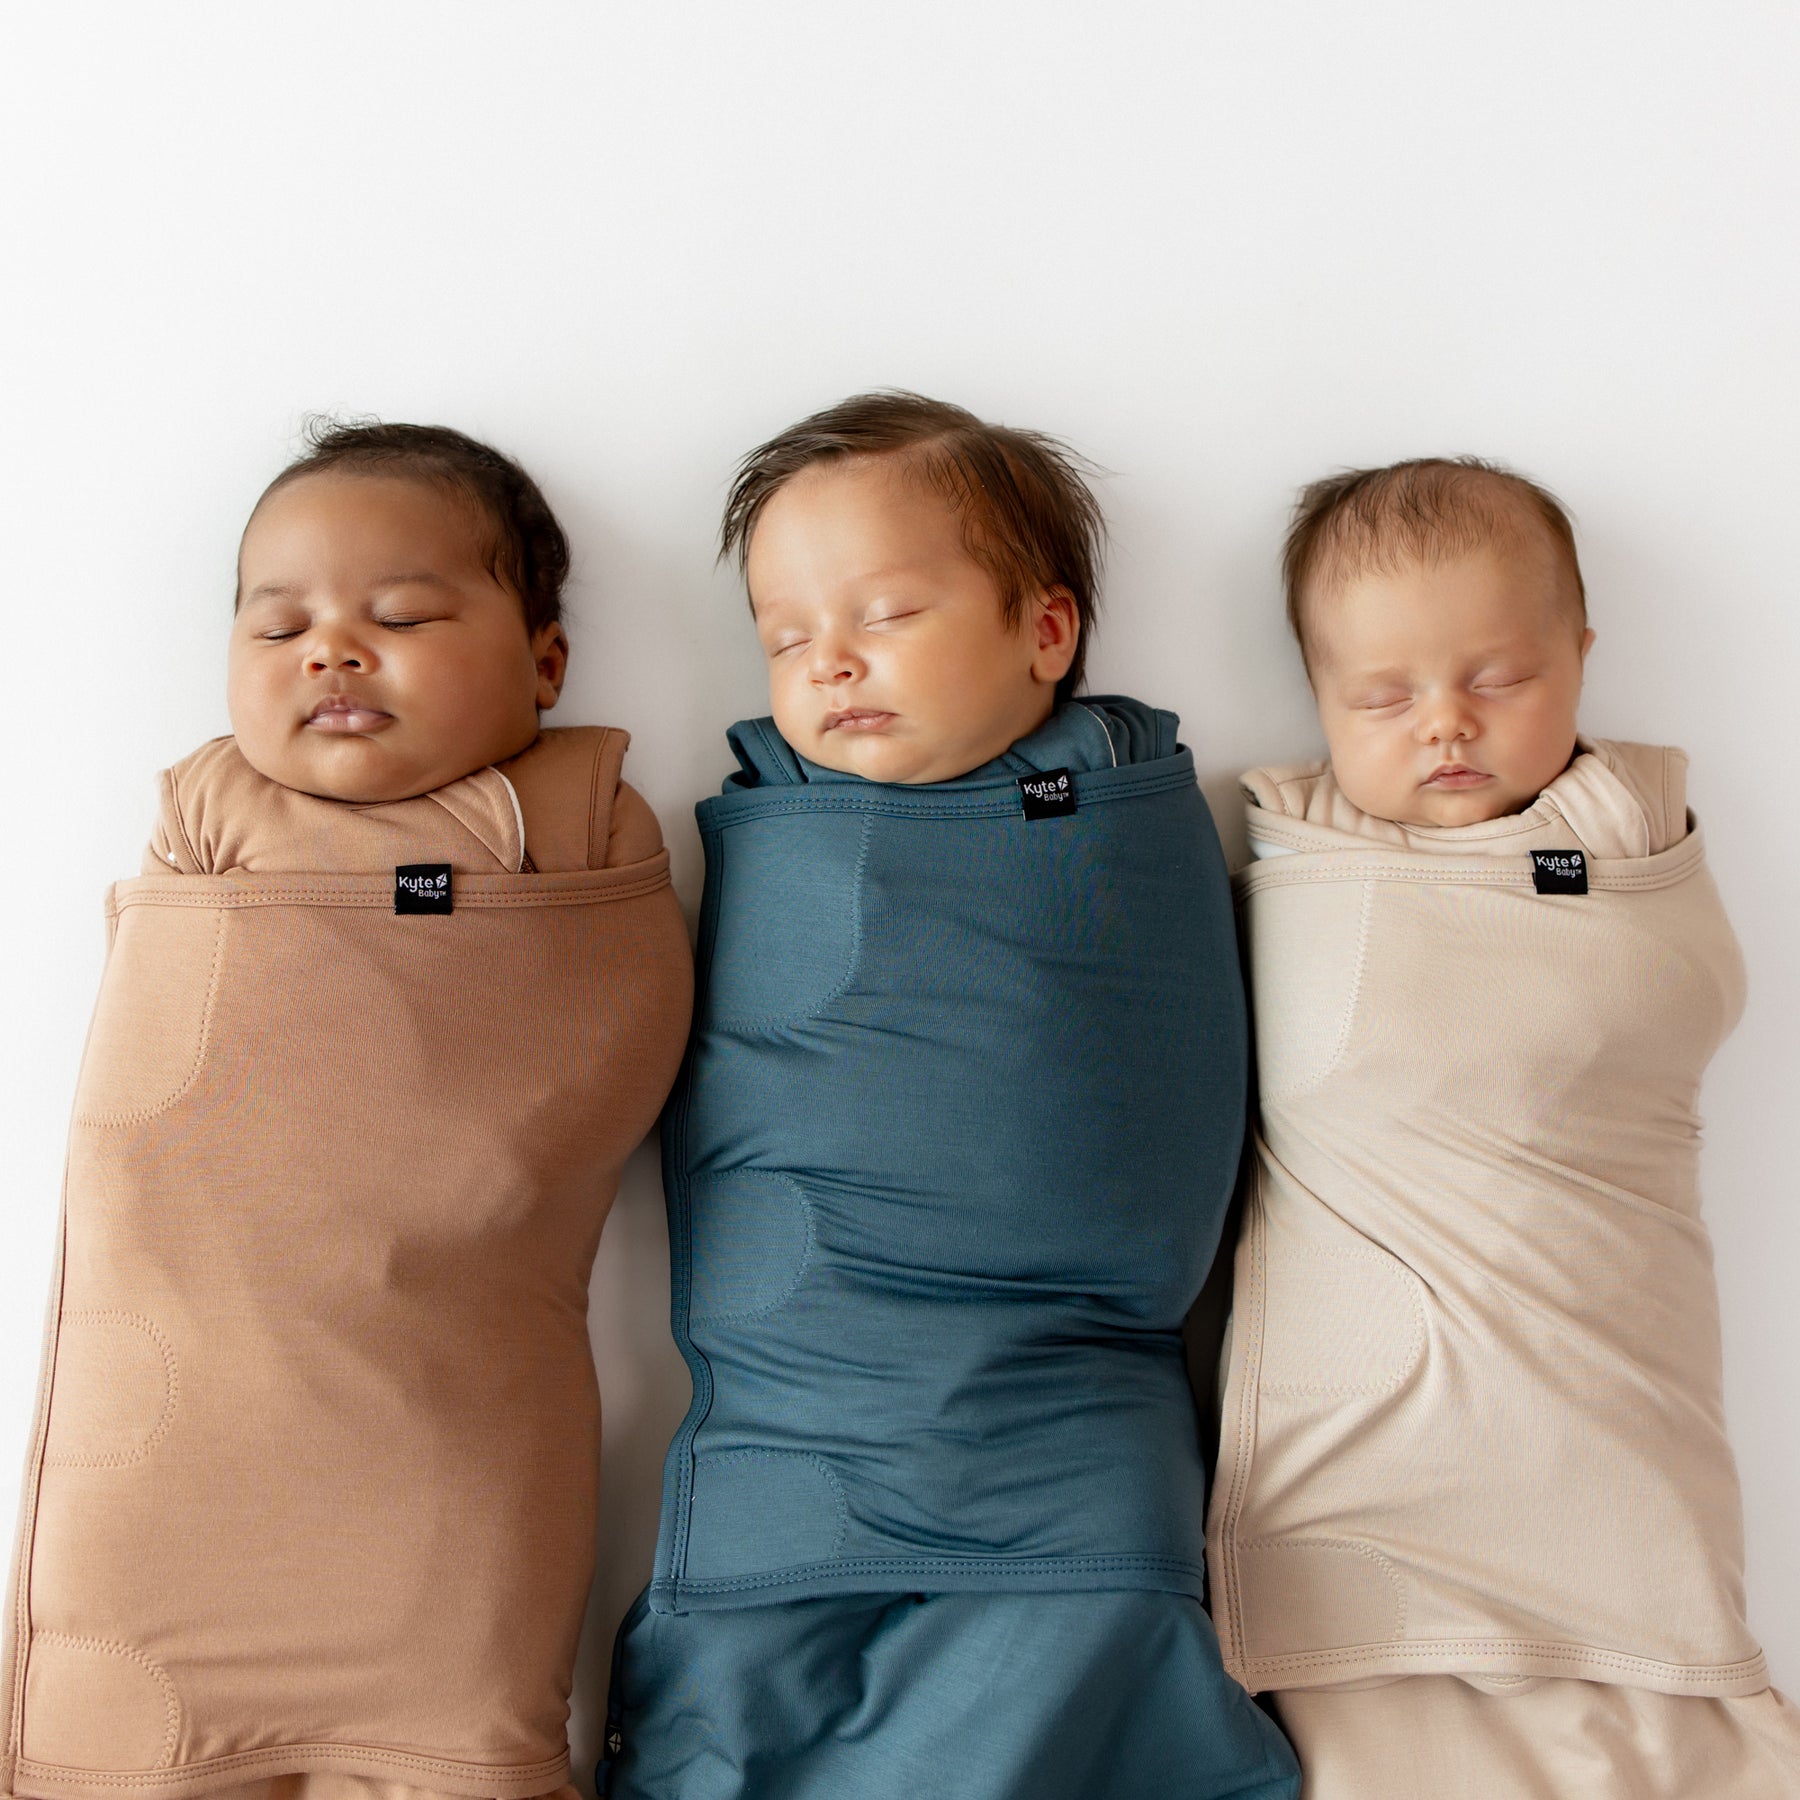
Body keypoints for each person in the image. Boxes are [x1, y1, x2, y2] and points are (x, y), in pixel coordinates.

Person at [603, 392, 1300, 1800]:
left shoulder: (1123, 811)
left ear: (1045, 633)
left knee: (1089, 1665)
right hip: (800, 1451)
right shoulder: (782, 816)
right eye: (786, 636)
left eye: (886, 616)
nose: (831, 662)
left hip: (1064, 1459)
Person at [0, 423, 692, 1800]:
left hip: (444, 1464)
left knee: (459, 1744)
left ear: (545, 663)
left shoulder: (582, 817)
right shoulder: (208, 809)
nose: (331, 650)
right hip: (166, 1460)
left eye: (401, 617)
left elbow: (589, 1070)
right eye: (282, 627)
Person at [1206, 457, 1800, 1796]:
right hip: (1375, 1496)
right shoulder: (1292, 861)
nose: (1445, 725)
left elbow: (1676, 991)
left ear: (1581, 655)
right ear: (1316, 694)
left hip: (1611, 1426)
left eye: (1499, 678)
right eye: (1383, 696)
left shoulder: (1630, 843)